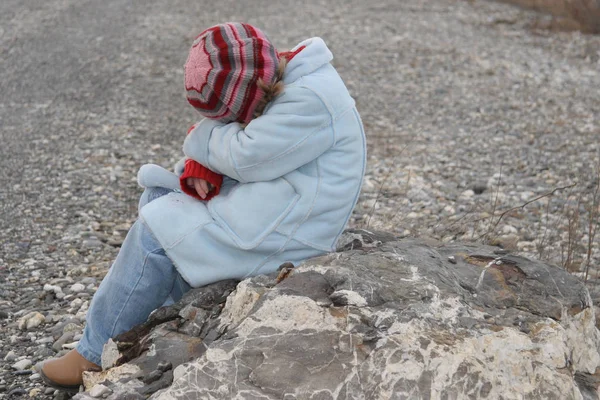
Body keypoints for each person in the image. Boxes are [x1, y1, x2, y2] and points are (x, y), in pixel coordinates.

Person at [40, 22, 366, 390]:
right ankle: (146, 314)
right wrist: (202, 164)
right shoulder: (291, 81)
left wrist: (203, 136)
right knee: (159, 200)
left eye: (232, 118)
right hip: (272, 205)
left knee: (153, 235)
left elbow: (247, 156)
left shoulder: (311, 101)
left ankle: (93, 351)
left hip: (287, 231)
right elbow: (255, 147)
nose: (231, 125)